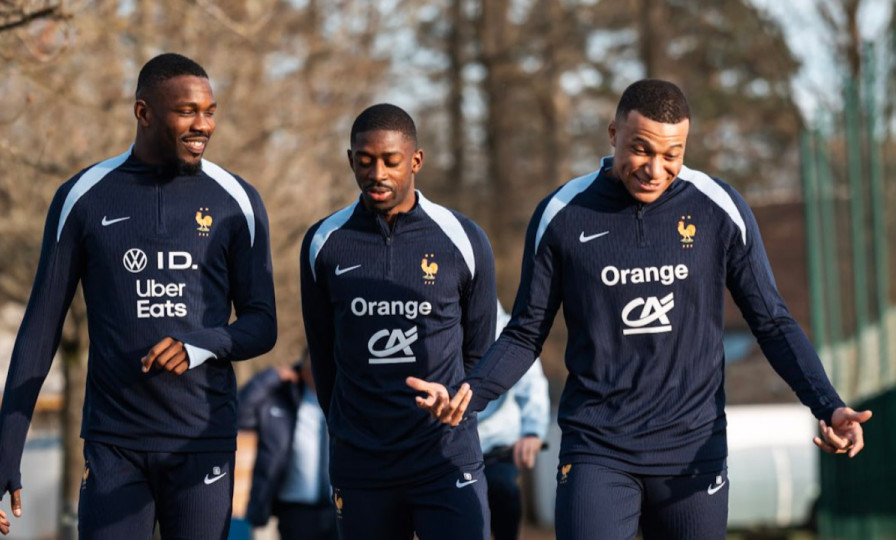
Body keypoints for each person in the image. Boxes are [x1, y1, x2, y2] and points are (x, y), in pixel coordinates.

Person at [407, 79, 872, 540]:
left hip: (692, 451)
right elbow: (527, 332)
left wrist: (828, 406)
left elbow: (771, 321)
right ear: (613, 134)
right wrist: (471, 393)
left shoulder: (719, 208)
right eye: (642, 150)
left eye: (672, 155)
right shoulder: (562, 214)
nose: (655, 168)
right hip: (598, 447)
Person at [0, 53, 277, 540]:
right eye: (187, 111)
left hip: (201, 442)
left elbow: (262, 323)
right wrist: (6, 451)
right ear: (143, 113)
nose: (202, 124)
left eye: (210, 110)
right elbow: (39, 329)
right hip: (113, 444)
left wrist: (200, 345)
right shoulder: (83, 197)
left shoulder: (237, 201)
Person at [300, 103, 497, 540]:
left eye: (391, 161)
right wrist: (350, 428)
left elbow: (480, 351)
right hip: (362, 463)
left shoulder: (463, 238)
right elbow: (323, 355)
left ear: (416, 161)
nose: (378, 174)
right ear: (350, 159)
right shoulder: (323, 243)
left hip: (444, 458)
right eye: (365, 161)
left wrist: (456, 409)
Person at [237, 356, 337, 540]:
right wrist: (270, 377)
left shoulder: (342, 399)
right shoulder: (281, 396)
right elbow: (239, 413)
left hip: (338, 508)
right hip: (294, 512)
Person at [477, 302, 550, 540]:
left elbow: (532, 385)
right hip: (449, 449)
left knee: (504, 492)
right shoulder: (439, 327)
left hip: (498, 448)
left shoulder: (507, 330)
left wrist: (532, 432)